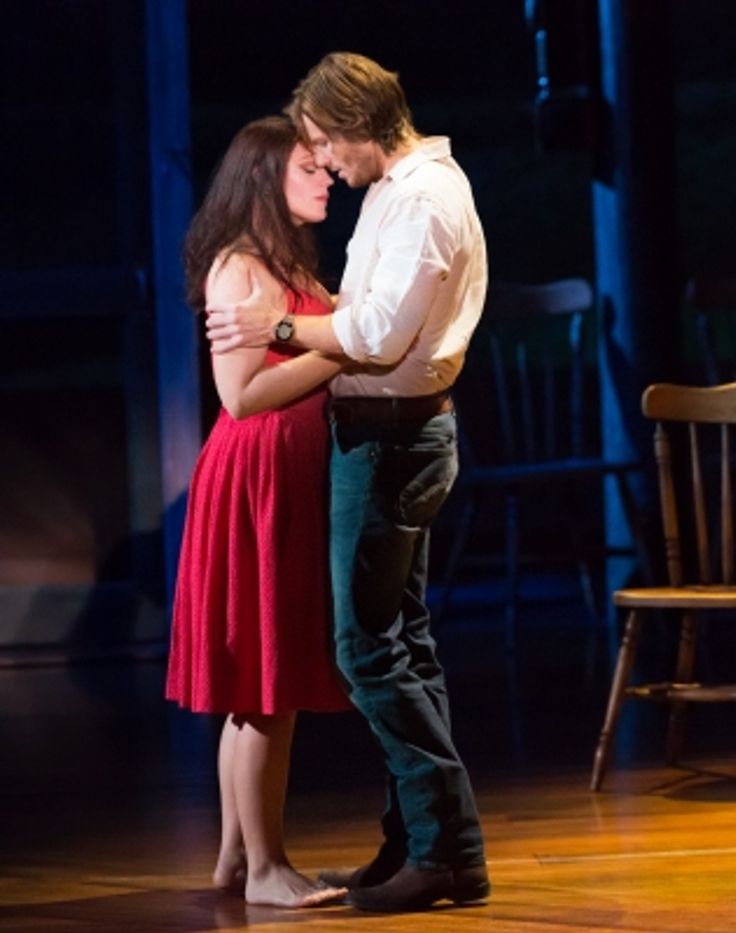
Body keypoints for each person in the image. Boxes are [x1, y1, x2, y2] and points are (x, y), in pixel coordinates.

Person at [205, 52, 490, 914]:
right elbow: (261, 382)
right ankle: (420, 839)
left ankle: (446, 848)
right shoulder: (396, 198)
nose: (327, 160)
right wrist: (299, 320)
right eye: (309, 153)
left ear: (362, 125)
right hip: (377, 438)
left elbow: (376, 334)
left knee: (370, 652)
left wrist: (283, 321)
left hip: (394, 440)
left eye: (328, 143)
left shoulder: (423, 201)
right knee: (393, 645)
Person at [165, 115, 348, 909]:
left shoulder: (284, 260)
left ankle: (237, 858)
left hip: (285, 474)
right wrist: (335, 349)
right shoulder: (240, 269)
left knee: (264, 683)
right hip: (256, 480)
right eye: (310, 168)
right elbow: (241, 396)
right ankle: (269, 870)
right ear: (266, 179)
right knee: (263, 687)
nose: (327, 178)